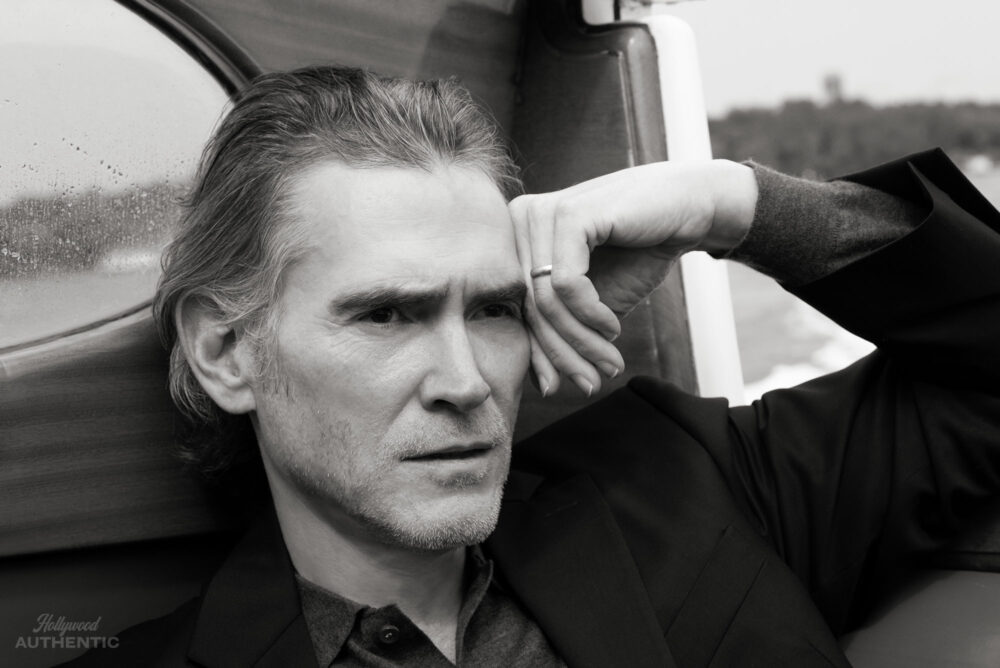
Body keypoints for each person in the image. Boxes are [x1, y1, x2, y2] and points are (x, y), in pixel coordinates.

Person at [64, 66, 1000, 667]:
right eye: (387, 314)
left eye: (494, 309)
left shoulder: (691, 486)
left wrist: (726, 204)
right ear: (226, 352)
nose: (467, 381)